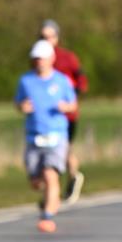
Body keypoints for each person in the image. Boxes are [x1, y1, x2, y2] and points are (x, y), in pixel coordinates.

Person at [15, 39, 77, 233]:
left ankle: (48, 216)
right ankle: (51, 198)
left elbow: (73, 104)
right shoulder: (26, 81)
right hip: (34, 135)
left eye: (42, 58)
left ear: (51, 59)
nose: (39, 62)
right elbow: (18, 103)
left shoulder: (61, 81)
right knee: (36, 181)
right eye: (36, 59)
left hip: (56, 134)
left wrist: (65, 107)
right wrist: (22, 107)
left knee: (51, 175)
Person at [40, 20, 88, 203]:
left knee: (63, 146)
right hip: (46, 116)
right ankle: (52, 189)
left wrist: (71, 97)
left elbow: (82, 79)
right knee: (46, 149)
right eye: (42, 37)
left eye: (49, 36)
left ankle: (73, 176)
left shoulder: (67, 57)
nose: (46, 40)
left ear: (57, 37)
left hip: (66, 114)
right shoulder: (38, 60)